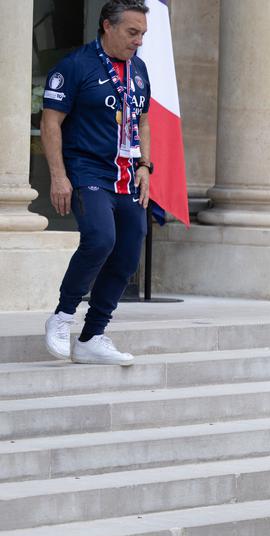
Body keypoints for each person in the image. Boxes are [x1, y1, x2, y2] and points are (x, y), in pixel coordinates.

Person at [40, 0, 152, 366]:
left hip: (126, 174)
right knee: (101, 239)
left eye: (142, 34)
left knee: (128, 252)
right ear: (108, 26)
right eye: (132, 32)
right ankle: (62, 316)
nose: (138, 41)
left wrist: (146, 166)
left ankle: (92, 337)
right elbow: (51, 122)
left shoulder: (138, 70)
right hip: (87, 170)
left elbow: (144, 122)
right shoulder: (75, 66)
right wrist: (59, 176)